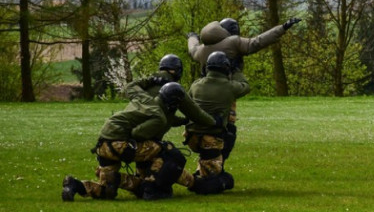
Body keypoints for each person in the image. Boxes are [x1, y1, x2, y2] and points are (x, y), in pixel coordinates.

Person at [62, 55, 216, 202]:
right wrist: (214, 122)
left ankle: (76, 185)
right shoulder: (162, 112)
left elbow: (131, 89)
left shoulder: (144, 95)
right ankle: (153, 185)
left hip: (103, 144)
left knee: (107, 191)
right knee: (166, 151)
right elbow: (140, 132)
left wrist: (180, 120)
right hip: (121, 144)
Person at [186, 16, 300, 161]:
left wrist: (192, 37)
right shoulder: (233, 42)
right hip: (228, 90)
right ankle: (214, 165)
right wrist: (282, 28)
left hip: (204, 91)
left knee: (210, 128)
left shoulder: (202, 50)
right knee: (227, 130)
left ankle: (207, 162)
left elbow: (192, 48)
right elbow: (257, 42)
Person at [184, 52, 249, 195]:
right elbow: (245, 86)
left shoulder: (196, 85)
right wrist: (236, 70)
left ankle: (204, 171)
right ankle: (198, 181)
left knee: (219, 174)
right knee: (225, 181)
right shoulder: (230, 87)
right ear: (225, 69)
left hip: (191, 137)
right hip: (212, 139)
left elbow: (187, 103)